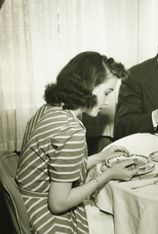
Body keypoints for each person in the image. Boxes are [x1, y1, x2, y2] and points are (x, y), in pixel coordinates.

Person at [15, 51, 141, 234]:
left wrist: (100, 157)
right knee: (127, 225)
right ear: (88, 87)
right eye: (107, 92)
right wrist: (109, 175)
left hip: (28, 205)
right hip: (45, 220)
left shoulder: (50, 109)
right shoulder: (70, 130)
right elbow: (58, 203)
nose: (107, 102)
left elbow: (58, 169)